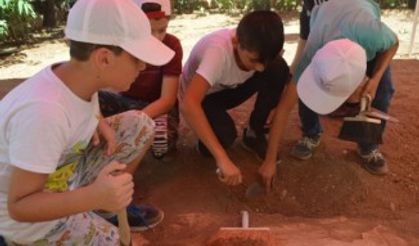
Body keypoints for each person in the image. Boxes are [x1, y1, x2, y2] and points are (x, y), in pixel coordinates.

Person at [0, 0, 174, 244]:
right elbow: (20, 206)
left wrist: (98, 121)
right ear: (104, 59)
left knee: (140, 124)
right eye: (137, 58)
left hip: (63, 177)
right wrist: (93, 197)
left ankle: (103, 208)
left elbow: (79, 106)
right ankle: (96, 206)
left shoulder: (78, 77)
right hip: (29, 222)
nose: (143, 66)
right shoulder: (44, 111)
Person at [261, 0, 398, 189]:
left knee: (384, 89)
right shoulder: (314, 51)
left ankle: (368, 146)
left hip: (360, 18)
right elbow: (284, 108)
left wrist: (375, 78)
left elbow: (393, 43)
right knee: (309, 86)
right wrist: (269, 161)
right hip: (326, 19)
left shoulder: (373, 35)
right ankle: (311, 133)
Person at [180, 10, 290, 186]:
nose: (260, 68)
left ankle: (254, 132)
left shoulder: (260, 51)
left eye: (264, 61)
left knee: (278, 69)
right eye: (253, 60)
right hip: (205, 97)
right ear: (235, 42)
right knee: (225, 137)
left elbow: (268, 69)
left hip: (230, 88)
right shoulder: (217, 52)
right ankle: (206, 145)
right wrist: (222, 159)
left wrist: (270, 160)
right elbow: (189, 105)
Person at [99, 0, 183, 161]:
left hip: (158, 108)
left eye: (162, 30)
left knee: (161, 144)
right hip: (126, 101)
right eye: (150, 31)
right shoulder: (122, 45)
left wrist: (133, 122)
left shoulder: (172, 45)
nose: (157, 38)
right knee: (94, 100)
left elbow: (167, 100)